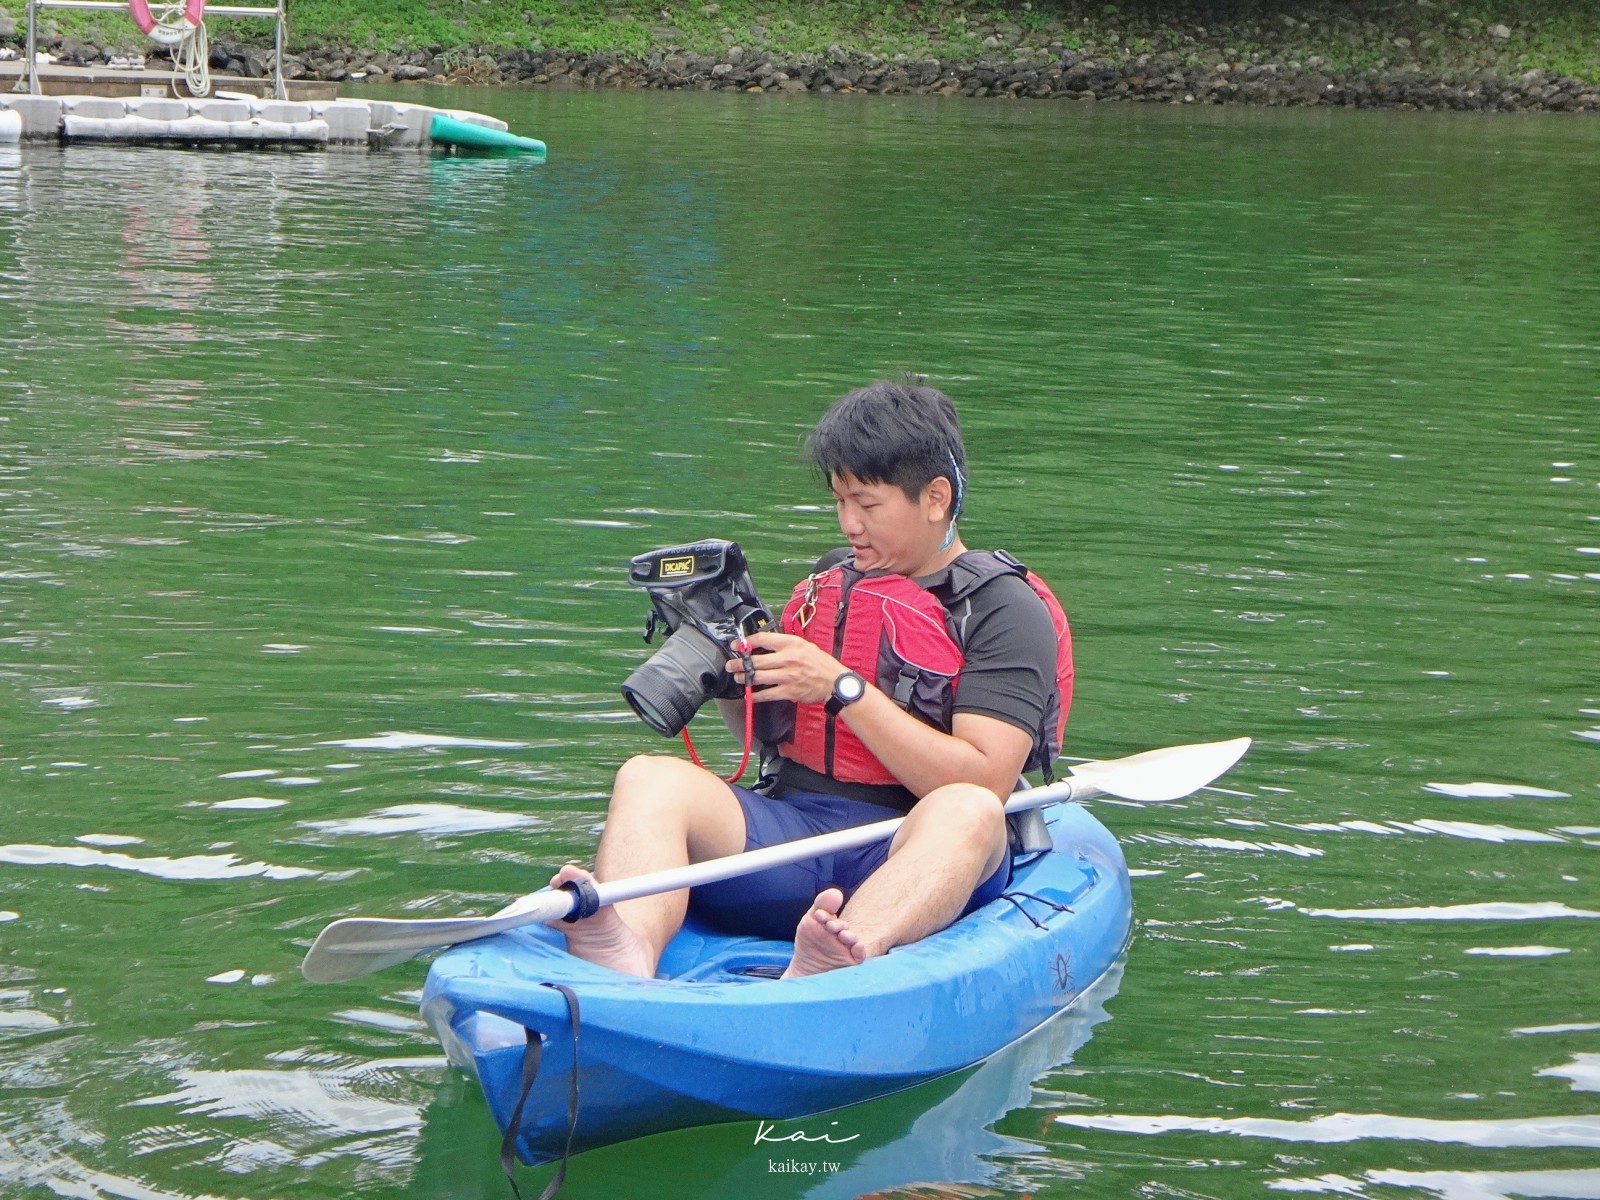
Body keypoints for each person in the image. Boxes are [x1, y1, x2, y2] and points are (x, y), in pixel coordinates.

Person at [552, 381, 1070, 979]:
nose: (850, 524)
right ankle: (627, 948)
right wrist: (734, 677)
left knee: (970, 809)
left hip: (912, 850)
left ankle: (840, 955)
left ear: (935, 498)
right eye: (840, 501)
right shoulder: (833, 578)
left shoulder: (1005, 610)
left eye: (868, 505)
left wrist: (840, 688)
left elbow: (984, 779)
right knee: (649, 777)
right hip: (794, 835)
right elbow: (771, 735)